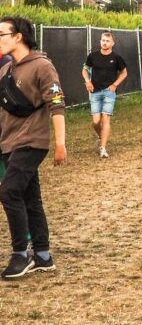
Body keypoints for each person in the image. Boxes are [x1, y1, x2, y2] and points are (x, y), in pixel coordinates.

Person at [0, 16, 67, 280]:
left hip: (31, 142)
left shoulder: (42, 66)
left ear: (18, 36)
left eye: (1, 33)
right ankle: (42, 255)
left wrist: (60, 143)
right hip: (8, 141)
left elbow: (57, 104)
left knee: (8, 192)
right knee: (30, 198)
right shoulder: (6, 71)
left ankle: (20, 254)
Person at [82, 31, 128, 158]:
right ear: (100, 41)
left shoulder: (117, 58)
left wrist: (115, 84)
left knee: (106, 118)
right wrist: (87, 81)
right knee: (96, 121)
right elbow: (85, 69)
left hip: (109, 92)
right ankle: (101, 136)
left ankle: (103, 148)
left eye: (107, 41)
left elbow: (124, 73)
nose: (105, 42)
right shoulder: (93, 56)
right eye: (103, 40)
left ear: (112, 43)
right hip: (95, 92)